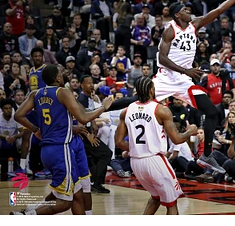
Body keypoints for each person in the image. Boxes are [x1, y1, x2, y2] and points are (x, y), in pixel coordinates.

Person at [152, 0, 235, 173]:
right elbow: (162, 58)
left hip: (184, 80)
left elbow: (219, 10)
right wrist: (185, 70)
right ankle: (103, 107)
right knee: (137, 101)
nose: (188, 11)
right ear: (176, 15)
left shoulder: (194, 25)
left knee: (212, 111)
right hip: (167, 77)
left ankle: (206, 156)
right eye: (184, 10)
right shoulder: (169, 31)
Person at [11, 64, 113, 215]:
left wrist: (35, 130)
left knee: (77, 193)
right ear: (58, 78)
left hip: (46, 150)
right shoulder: (62, 92)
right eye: (61, 73)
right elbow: (83, 118)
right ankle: (26, 215)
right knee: (66, 202)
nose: (63, 73)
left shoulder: (35, 94)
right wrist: (103, 107)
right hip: (61, 149)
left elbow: (18, 115)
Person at [115, 77, 198, 215]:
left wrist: (138, 149)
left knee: (156, 197)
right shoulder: (161, 110)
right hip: (155, 160)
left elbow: (118, 142)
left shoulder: (127, 110)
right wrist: (190, 131)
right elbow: (177, 139)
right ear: (152, 90)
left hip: (136, 162)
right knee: (172, 203)